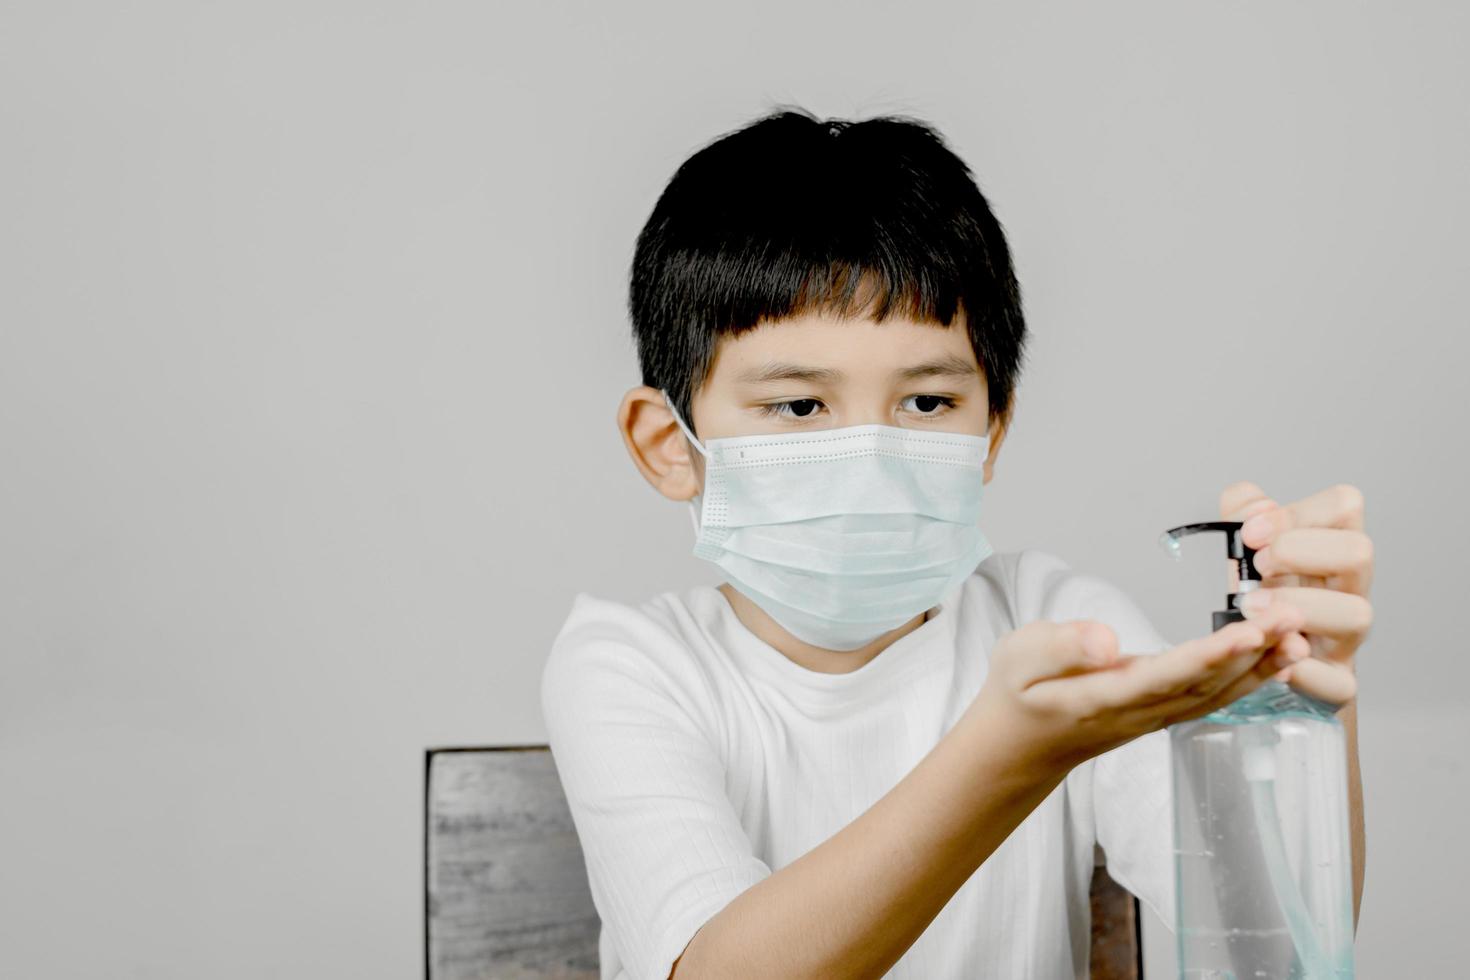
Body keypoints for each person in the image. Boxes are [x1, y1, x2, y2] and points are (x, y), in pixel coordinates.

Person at [539, 106, 1371, 980]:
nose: (872, 456)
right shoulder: (627, 663)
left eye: (927, 403)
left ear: (990, 436)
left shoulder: (1053, 621)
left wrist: (1309, 700)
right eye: (798, 406)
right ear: (668, 445)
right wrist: (1004, 757)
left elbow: (1283, 942)